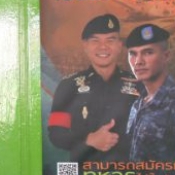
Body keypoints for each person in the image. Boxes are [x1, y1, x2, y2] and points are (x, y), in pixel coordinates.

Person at [47, 13, 141, 162]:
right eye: (95, 40)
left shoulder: (139, 85)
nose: (103, 46)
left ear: (119, 46)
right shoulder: (68, 86)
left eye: (110, 40)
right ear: (85, 46)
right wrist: (89, 139)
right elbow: (55, 134)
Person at [125, 24, 175, 161]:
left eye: (148, 52)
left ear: (166, 56)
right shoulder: (138, 104)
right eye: (133, 54)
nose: (138, 61)